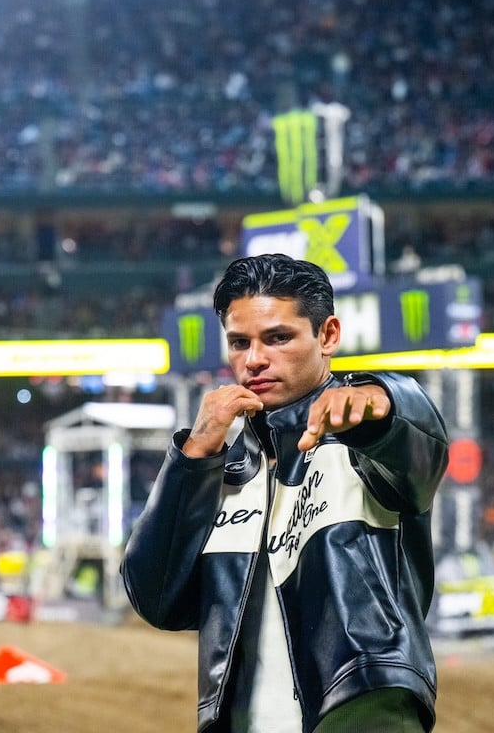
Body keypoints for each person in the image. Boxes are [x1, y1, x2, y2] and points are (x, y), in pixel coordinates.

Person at [121, 253, 449, 733]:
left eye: (278, 338)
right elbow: (155, 599)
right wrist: (192, 457)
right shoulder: (221, 471)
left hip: (362, 713)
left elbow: (421, 441)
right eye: (240, 342)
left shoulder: (367, 436)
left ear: (328, 336)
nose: (254, 359)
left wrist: (384, 401)